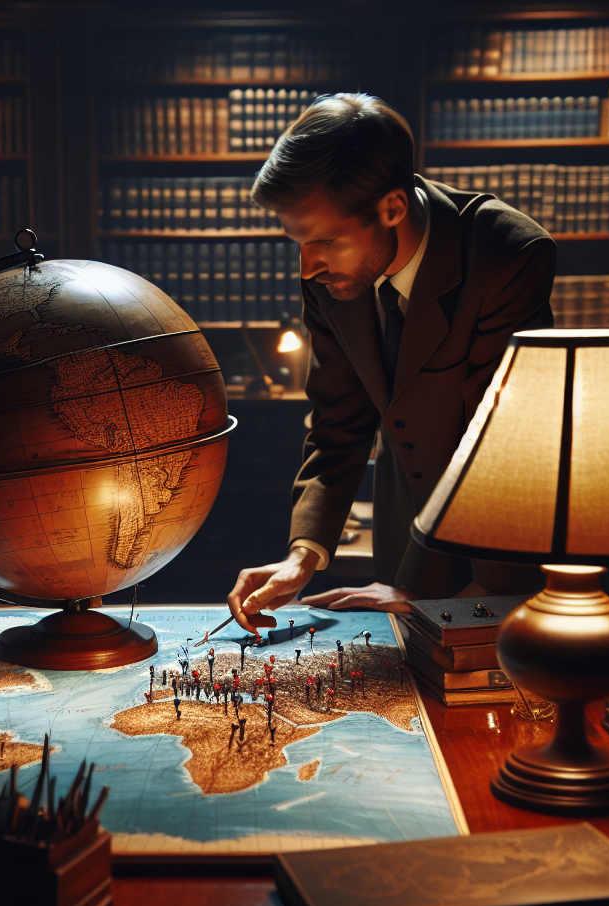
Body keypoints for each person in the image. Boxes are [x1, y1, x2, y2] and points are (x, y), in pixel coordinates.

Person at [229, 94, 555, 634]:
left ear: (393, 209)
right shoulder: (330, 275)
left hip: (505, 544)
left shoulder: (508, 255)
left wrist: (427, 591)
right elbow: (339, 422)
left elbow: (504, 448)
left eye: (325, 241)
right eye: (298, 243)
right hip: (407, 525)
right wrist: (301, 557)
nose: (308, 267)